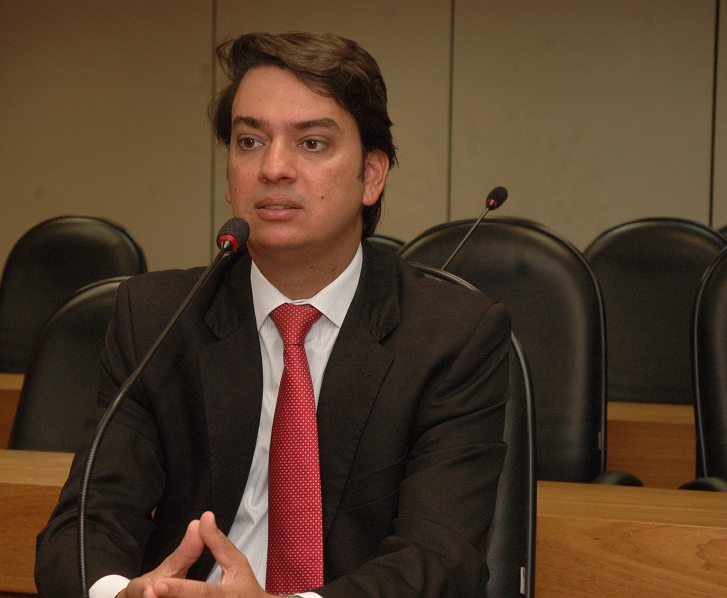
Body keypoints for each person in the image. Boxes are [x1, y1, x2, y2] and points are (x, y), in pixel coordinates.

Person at [35, 31, 510, 598]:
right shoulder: (159, 319)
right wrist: (124, 595)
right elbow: (84, 526)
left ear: (372, 175)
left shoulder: (451, 336)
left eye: (311, 143)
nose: (273, 167)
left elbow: (440, 560)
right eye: (250, 141)